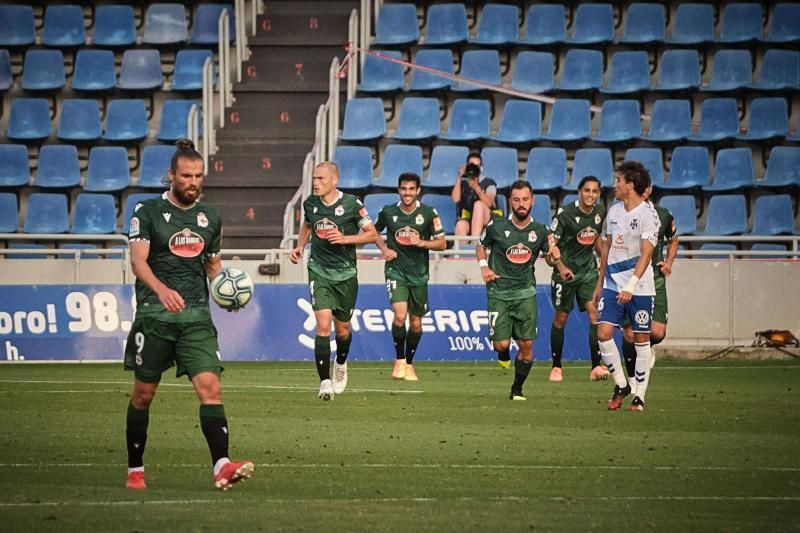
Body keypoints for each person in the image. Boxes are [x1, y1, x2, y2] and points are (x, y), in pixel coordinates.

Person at [124, 139, 253, 491]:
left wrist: (226, 289)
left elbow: (212, 265)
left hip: (196, 316)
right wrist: (161, 290)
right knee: (143, 395)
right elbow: (137, 261)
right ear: (171, 175)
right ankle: (135, 468)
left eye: (198, 176)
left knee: (211, 388)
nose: (193, 182)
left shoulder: (210, 217)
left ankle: (222, 466)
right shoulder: (146, 212)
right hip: (155, 316)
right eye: (186, 175)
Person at [289, 162, 378, 401]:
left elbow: (372, 235)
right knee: (323, 326)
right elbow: (308, 224)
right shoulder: (310, 204)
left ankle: (340, 362)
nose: (316, 183)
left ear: (334, 180)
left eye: (320, 179)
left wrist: (345, 238)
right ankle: (325, 382)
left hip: (346, 274)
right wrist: (299, 246)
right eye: (314, 178)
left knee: (343, 329)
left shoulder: (352, 204)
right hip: (319, 270)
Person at [476, 181, 560, 400]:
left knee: (526, 343)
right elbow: (480, 246)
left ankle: (517, 388)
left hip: (525, 293)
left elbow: (550, 259)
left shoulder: (541, 231)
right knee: (500, 344)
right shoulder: (496, 226)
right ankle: (503, 352)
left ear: (532, 200)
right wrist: (484, 267)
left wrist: (553, 256)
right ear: (510, 202)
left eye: (525, 199)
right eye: (516, 199)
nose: (521, 204)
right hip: (499, 292)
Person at [594, 161, 661, 412]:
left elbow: (646, 254)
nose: (615, 185)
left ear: (630, 185)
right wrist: (600, 283)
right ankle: (622, 385)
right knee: (603, 333)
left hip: (640, 287)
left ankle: (639, 396)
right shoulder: (613, 212)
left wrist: (631, 285)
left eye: (618, 181)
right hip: (612, 284)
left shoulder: (648, 214)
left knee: (640, 338)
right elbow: (607, 248)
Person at [375, 172, 446, 381]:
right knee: (400, 315)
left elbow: (442, 244)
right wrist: (384, 249)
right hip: (395, 271)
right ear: (399, 190)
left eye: (411, 189)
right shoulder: (388, 212)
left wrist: (421, 242)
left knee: (416, 322)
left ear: (418, 191)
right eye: (403, 189)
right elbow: (372, 232)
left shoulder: (429, 213)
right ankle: (398, 360)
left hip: (419, 275)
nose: (407, 193)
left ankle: (409, 362)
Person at [546, 176, 609, 383]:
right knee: (561, 318)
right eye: (587, 190)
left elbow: (596, 239)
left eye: (594, 191)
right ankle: (556, 366)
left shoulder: (600, 212)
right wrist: (561, 266)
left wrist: (604, 262)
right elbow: (551, 246)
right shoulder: (565, 214)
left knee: (594, 314)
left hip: (588, 271)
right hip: (565, 273)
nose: (590, 195)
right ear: (579, 192)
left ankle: (596, 366)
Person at [621, 186, 679, 383]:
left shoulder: (663, 215)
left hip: (654, 279)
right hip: (629, 279)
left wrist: (669, 262)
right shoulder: (621, 213)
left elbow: (674, 240)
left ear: (649, 189)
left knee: (657, 332)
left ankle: (647, 348)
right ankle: (631, 380)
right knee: (630, 332)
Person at [451, 152, 501, 238]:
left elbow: (489, 202)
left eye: (477, 166)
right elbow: (455, 199)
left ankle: (475, 244)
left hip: (488, 219)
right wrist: (460, 176)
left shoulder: (489, 183)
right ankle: (462, 250)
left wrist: (476, 188)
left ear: (481, 168)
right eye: (471, 165)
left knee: (478, 205)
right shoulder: (463, 183)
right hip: (469, 219)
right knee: (460, 224)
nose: (474, 169)